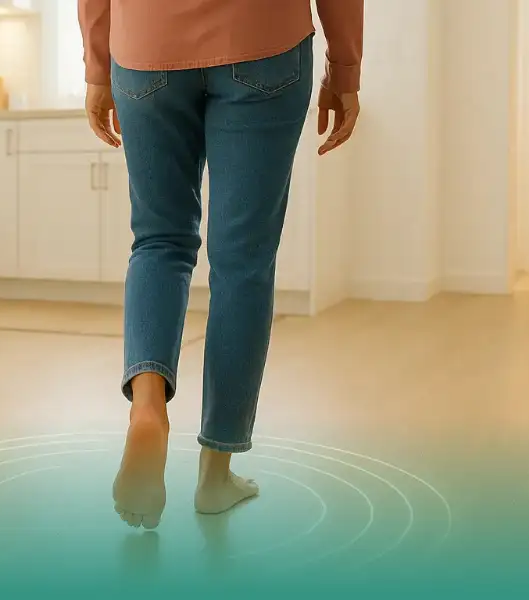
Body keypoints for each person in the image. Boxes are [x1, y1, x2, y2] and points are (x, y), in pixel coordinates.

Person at [78, 0, 364, 530]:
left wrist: (97, 67)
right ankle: (215, 474)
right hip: (264, 40)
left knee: (159, 240)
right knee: (242, 262)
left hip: (146, 44)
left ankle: (147, 406)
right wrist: (345, 67)